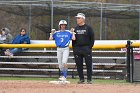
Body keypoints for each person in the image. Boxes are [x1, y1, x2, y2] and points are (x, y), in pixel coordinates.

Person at [72, 13, 95, 84]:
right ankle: (81, 79)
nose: (77, 19)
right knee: (79, 65)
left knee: (88, 64)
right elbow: (73, 39)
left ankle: (89, 79)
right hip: (77, 49)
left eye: (79, 18)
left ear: (83, 19)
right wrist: (74, 48)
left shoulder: (88, 28)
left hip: (86, 48)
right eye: (77, 18)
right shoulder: (75, 28)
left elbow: (92, 38)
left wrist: (89, 47)